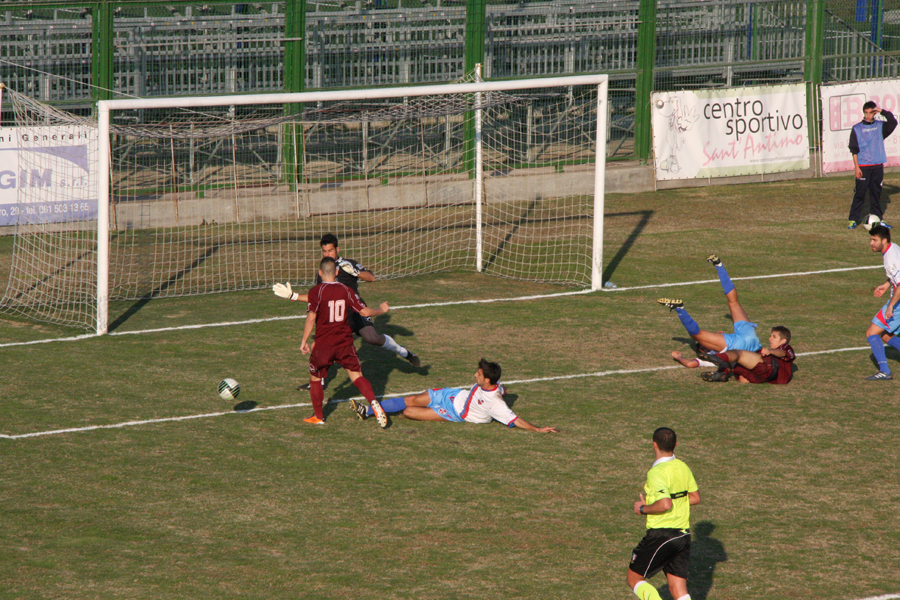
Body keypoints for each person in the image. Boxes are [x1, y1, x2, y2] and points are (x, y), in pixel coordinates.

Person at [273, 257, 390, 427]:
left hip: (323, 344)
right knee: (357, 376)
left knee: (315, 377)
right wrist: (381, 309)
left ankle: (319, 416)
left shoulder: (317, 291)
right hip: (344, 342)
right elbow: (364, 312)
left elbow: (311, 317)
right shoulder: (347, 290)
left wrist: (304, 340)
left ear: (320, 273)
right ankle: (373, 402)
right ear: (337, 272)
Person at [295, 234, 421, 391]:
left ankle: (405, 353)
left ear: (338, 249)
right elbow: (317, 297)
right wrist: (293, 296)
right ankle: (316, 382)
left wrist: (356, 272)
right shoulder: (324, 270)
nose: (328, 254)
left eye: (331, 250)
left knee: (373, 338)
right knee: (317, 346)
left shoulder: (348, 265)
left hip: (355, 311)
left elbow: (371, 277)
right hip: (337, 317)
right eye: (325, 251)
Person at [348, 358, 558, 433]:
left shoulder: (496, 404)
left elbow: (514, 419)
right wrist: (504, 390)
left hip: (452, 412)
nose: (475, 374)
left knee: (409, 411)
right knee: (411, 399)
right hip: (452, 395)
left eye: (479, 374)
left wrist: (538, 429)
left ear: (486, 381)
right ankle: (367, 411)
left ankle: (372, 411)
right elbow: (503, 389)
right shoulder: (495, 385)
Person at [627, 427, 700, 600]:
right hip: (682, 535)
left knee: (634, 578)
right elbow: (695, 497)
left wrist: (643, 509)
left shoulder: (656, 472)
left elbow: (665, 504)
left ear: (654, 445)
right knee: (678, 589)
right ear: (675, 444)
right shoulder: (682, 466)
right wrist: (660, 503)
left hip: (662, 534)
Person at [658, 254, 762, 356]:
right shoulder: (717, 351)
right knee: (733, 303)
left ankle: (719, 265)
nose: (705, 345)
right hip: (743, 341)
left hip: (749, 340)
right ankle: (719, 266)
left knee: (733, 302)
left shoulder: (718, 352)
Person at [848, 100, 897, 230]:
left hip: (877, 166)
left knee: (876, 194)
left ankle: (878, 219)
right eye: (866, 113)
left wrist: (882, 111)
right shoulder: (857, 128)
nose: (868, 115)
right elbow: (854, 149)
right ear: (863, 113)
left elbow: (893, 122)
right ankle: (853, 219)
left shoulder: (880, 126)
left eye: (871, 113)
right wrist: (857, 167)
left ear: (874, 113)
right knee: (860, 193)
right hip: (863, 166)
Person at [697, 326, 795, 384]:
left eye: (774, 337)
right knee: (733, 362)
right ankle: (721, 374)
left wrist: (771, 351)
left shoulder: (786, 347)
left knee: (738, 354)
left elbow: (782, 353)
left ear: (783, 341)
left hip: (769, 366)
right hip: (763, 377)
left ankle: (719, 356)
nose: (770, 339)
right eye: (770, 336)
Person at [863, 224, 900, 380]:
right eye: (871, 239)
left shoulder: (891, 258)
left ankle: (884, 371)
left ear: (884, 240)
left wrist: (891, 305)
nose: (871, 243)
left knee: (872, 333)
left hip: (898, 302)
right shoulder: (893, 249)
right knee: (884, 334)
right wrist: (886, 285)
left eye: (874, 239)